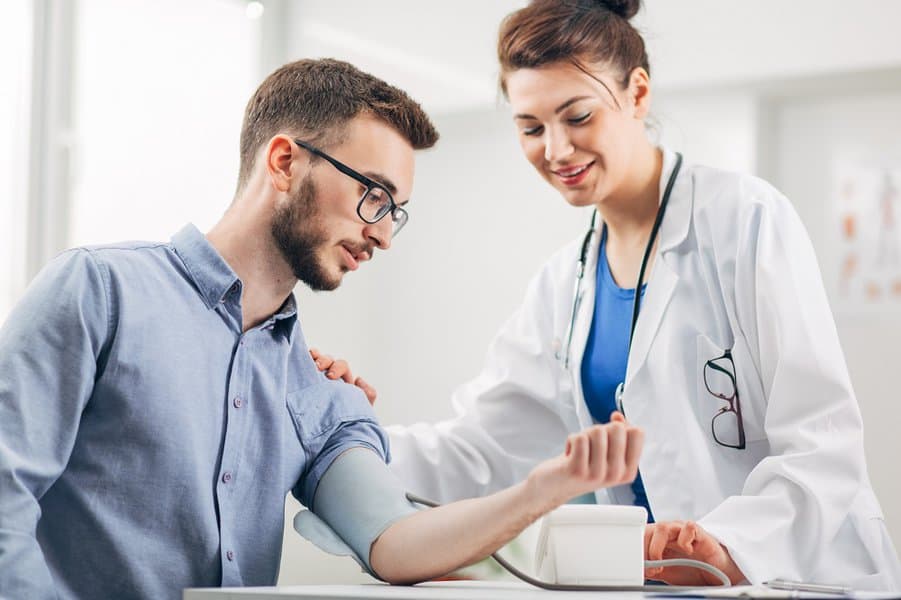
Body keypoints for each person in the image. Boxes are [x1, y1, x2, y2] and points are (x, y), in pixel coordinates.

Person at [0, 58, 646, 600]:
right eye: (373, 195)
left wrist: (545, 489)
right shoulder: (99, 292)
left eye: (397, 211)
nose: (384, 233)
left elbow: (395, 544)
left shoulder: (316, 390)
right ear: (284, 161)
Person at [314, 0, 901, 591]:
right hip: (660, 581)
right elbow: (480, 449)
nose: (556, 150)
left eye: (577, 116)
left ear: (638, 94)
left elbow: (822, 441)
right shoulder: (562, 284)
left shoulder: (743, 221)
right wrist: (334, 429)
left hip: (805, 576)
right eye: (531, 127)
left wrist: (731, 545)